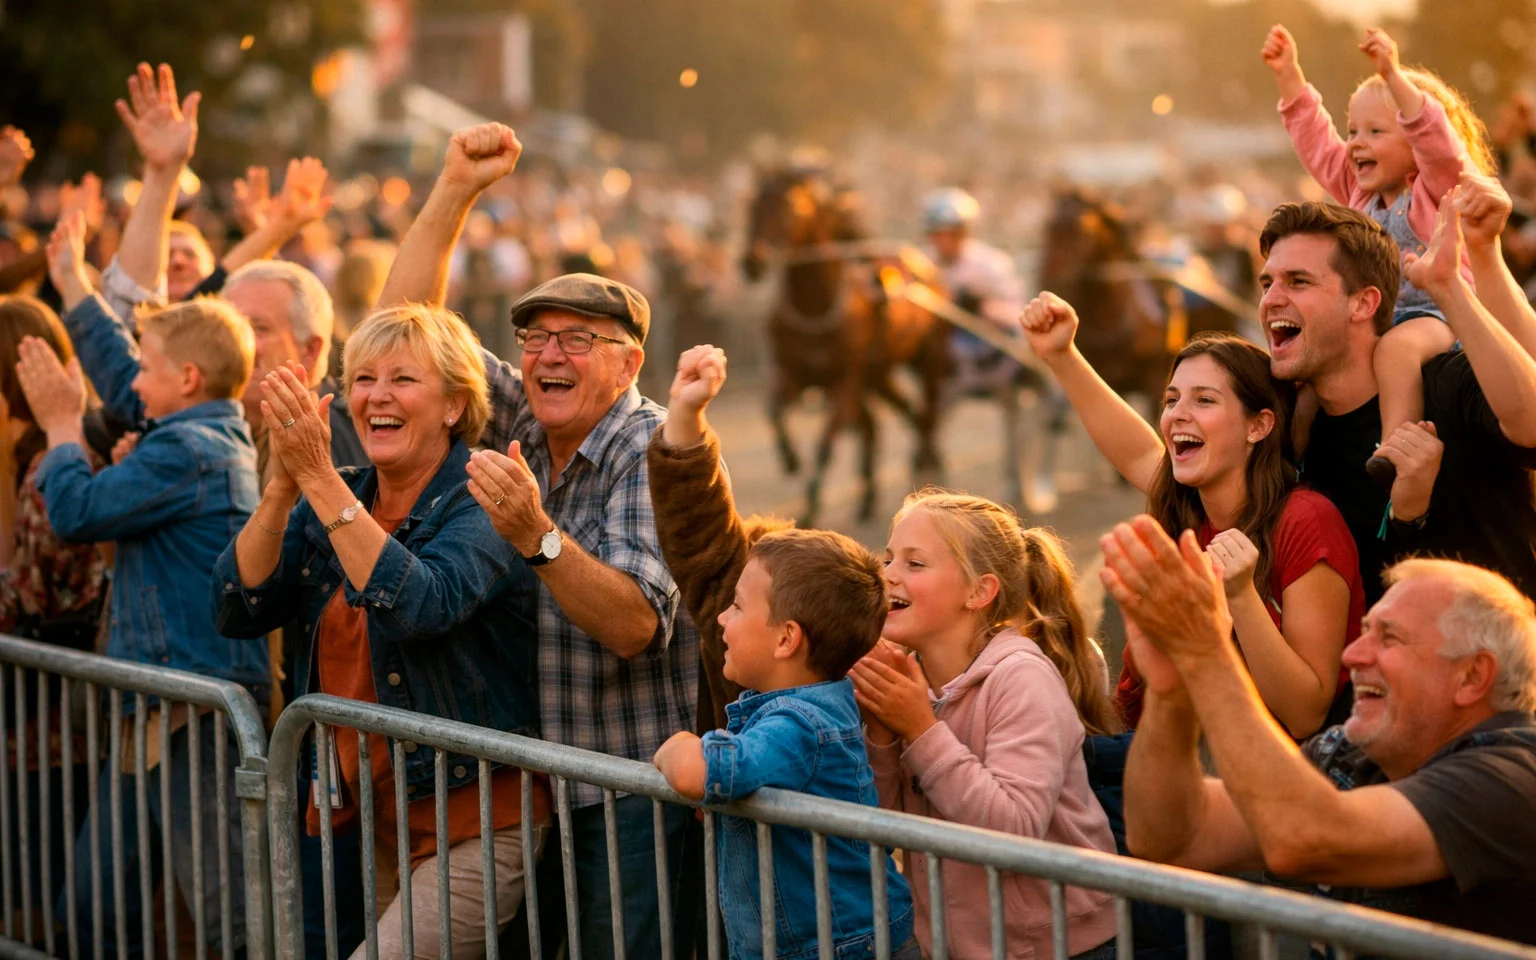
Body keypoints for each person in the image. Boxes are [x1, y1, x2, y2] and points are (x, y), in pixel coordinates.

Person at [378, 122, 698, 960]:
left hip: (623, 788)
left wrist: (537, 537)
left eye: (577, 340)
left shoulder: (650, 447)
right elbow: (404, 330)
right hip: (527, 784)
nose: (549, 354)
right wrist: (454, 188)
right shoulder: (525, 411)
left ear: (628, 364)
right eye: (535, 338)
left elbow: (636, 626)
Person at [213, 303, 544, 960]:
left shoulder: (482, 496)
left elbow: (420, 606)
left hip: (476, 820)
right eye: (363, 379)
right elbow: (240, 608)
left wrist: (318, 478)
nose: (377, 396)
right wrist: (282, 488)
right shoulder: (345, 492)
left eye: (403, 379)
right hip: (376, 823)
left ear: (454, 405)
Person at [1105, 516, 1536, 944]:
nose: (1353, 654)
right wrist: (1172, 691)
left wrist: (1204, 652)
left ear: (1472, 676)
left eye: (1389, 637)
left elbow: (1305, 839)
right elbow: (1171, 838)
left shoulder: (1515, 772)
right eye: (1365, 631)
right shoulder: (1349, 753)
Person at [32, 211, 261, 959]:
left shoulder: (189, 448)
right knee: (93, 905)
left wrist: (63, 427)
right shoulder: (189, 430)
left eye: (148, 369)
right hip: (156, 705)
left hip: (191, 710)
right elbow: (122, 372)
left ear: (187, 380)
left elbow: (75, 511)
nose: (132, 384)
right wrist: (73, 287)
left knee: (228, 918)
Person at [1021, 297, 1364, 736]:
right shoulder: (1186, 500)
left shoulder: (1305, 520)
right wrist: (1062, 354)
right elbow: (1137, 451)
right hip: (1148, 737)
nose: (1178, 414)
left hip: (1243, 759)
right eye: (1171, 399)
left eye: (1204, 400)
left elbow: (1304, 713)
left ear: (1258, 426)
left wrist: (1241, 595)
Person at [851, 491, 1120, 960]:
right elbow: (883, 820)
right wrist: (882, 729)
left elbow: (1015, 828)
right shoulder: (911, 680)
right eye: (889, 558)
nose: (888, 574)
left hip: (1058, 947)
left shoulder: (1022, 677)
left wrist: (920, 729)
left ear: (979, 592)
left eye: (915, 564)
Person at [651, 525, 918, 960]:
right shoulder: (807, 708)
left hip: (842, 948)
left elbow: (695, 772)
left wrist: (679, 743)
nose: (722, 618)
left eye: (737, 606)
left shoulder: (799, 723)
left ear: (785, 639)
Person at [1258, 199, 1536, 603]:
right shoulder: (1293, 434)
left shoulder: (1444, 384)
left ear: (1363, 303)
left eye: (1298, 281)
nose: (1271, 299)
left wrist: (1451, 286)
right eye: (1267, 284)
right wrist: (1407, 515)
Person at [1263, 24, 1494, 485]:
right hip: (1378, 317)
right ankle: (1290, 468)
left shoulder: (1435, 189)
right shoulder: (1360, 194)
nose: (1356, 142)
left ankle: (1395, 448)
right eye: (1353, 130)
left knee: (1396, 351)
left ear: (1416, 144)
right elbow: (1317, 144)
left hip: (1437, 314)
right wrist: (1289, 77)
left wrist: (1392, 75)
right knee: (1307, 384)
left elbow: (1438, 144)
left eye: (1375, 131)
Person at [0, 295, 108, 946]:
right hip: (45, 715)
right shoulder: (40, 455)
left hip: (52, 723)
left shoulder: (52, 464)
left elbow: (37, 594)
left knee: (44, 891)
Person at [921, 187, 1026, 400]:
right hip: (940, 349)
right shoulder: (920, 263)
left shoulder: (991, 264)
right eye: (937, 235)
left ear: (964, 233)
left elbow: (1017, 315)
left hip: (987, 344)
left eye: (951, 234)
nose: (943, 242)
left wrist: (980, 305)